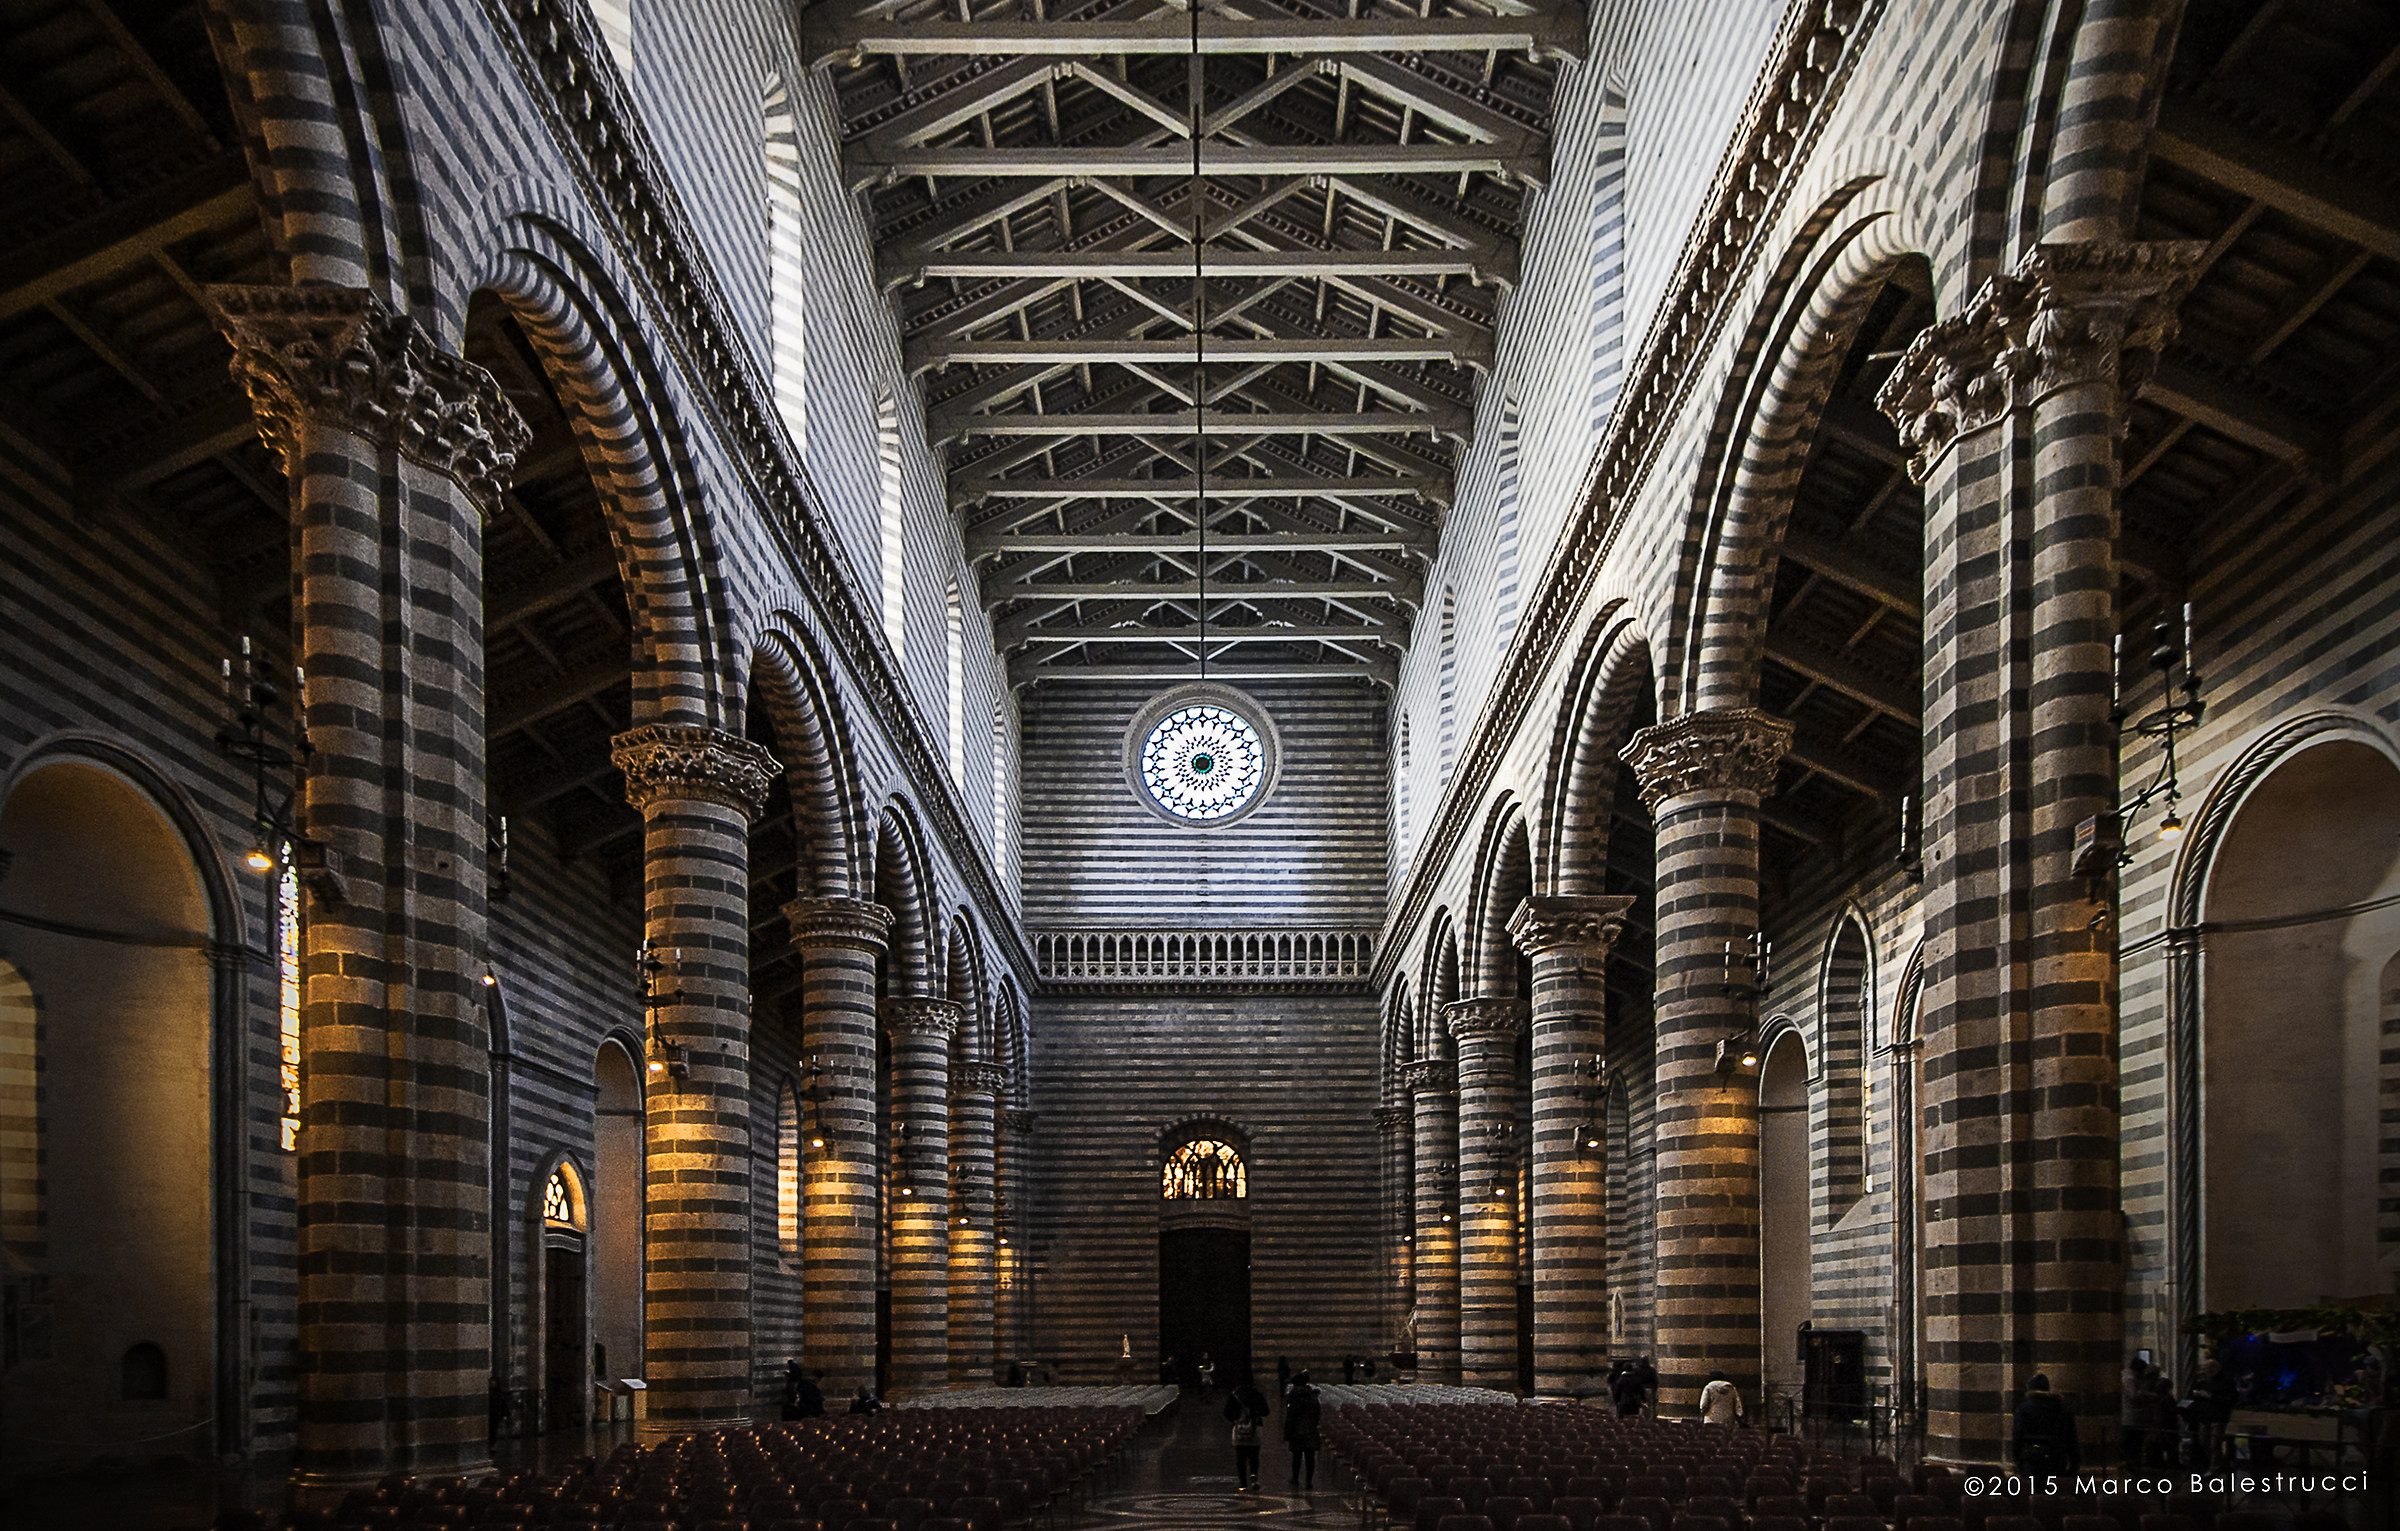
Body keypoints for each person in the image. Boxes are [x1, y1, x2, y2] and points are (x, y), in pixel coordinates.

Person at [2014, 1373, 2081, 1477]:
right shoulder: (2063, 1410)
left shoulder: (2023, 1410)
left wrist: (2019, 1463)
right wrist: (2074, 1466)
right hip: (2057, 1462)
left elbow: (2017, 1438)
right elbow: (2072, 1441)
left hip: (2032, 1462)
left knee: (2033, 1492)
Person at [2186, 1356, 2231, 1468]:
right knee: (2203, 1442)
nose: (2204, 1372)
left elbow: (2229, 1399)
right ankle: (2207, 1464)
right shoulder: (2206, 1381)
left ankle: (2215, 1467)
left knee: (2215, 1444)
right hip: (2205, 1416)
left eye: (2205, 1369)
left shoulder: (2225, 1381)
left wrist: (2210, 1396)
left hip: (2217, 1416)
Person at [1224, 1379, 1268, 1491]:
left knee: (1240, 1457)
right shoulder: (1257, 1395)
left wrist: (1235, 1419)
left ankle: (1243, 1482)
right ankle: (1254, 1475)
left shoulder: (1234, 1396)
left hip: (1239, 1428)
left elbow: (1227, 1413)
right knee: (1254, 1455)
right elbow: (1266, 1411)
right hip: (1255, 1428)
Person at [1284, 1368, 1322, 1490]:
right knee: (1310, 1458)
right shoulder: (1312, 1397)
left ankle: (1295, 1478)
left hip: (1297, 1431)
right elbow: (1317, 1414)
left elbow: (1290, 1417)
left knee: (1297, 1457)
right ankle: (1308, 1481)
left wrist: (1287, 1433)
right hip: (1310, 1429)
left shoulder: (1294, 1397)